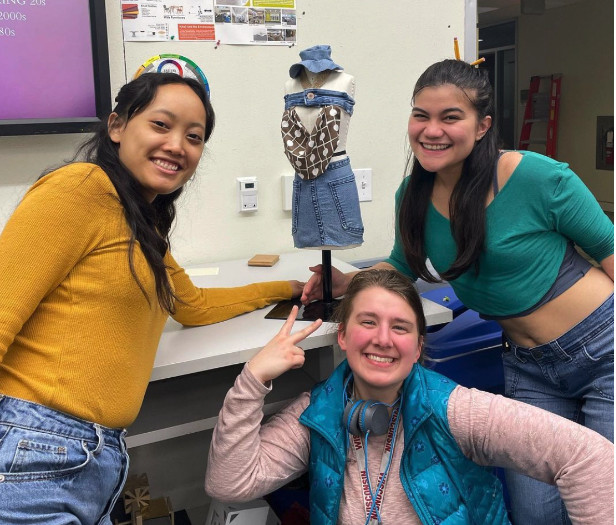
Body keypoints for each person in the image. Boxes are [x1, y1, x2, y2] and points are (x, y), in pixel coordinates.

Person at [300, 59, 614, 524]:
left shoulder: (536, 177)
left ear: (483, 125)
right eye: (421, 115)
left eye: (451, 117)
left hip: (603, 349)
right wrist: (347, 282)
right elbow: (403, 267)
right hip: (528, 368)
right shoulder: (413, 195)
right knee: (534, 513)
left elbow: (609, 251)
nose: (432, 130)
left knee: (603, 500)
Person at [0, 72, 302, 524]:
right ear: (117, 127)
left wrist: (291, 289)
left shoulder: (142, 223)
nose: (178, 145)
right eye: (161, 125)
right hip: (37, 447)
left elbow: (193, 305)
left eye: (194, 136)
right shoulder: (79, 189)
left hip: (87, 457)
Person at [205, 269, 613, 525]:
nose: (383, 338)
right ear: (343, 336)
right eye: (368, 322)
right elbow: (230, 484)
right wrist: (253, 378)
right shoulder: (318, 413)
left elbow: (589, 458)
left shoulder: (454, 410)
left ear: (418, 348)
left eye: (400, 327)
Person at [282, 44, 364, 249]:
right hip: (302, 178)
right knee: (308, 244)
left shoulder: (346, 81)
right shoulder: (289, 86)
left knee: (344, 238)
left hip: (336, 174)